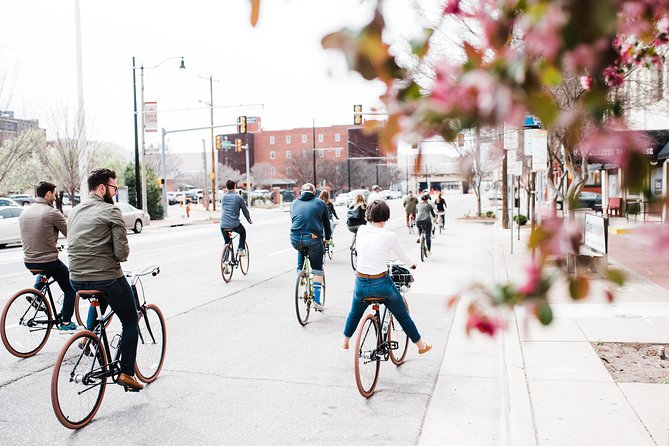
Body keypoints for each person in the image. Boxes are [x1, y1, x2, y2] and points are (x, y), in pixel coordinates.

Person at [67, 168, 143, 391]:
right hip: (106, 277)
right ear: (102, 188)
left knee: (101, 297)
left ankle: (89, 337)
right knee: (130, 321)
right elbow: (121, 254)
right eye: (114, 188)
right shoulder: (111, 211)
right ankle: (127, 373)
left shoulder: (74, 211)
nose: (116, 192)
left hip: (76, 280)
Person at [340, 200, 431, 354]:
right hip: (381, 284)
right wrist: (412, 264)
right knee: (403, 316)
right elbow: (402, 256)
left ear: (368, 215)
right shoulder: (390, 236)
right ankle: (421, 345)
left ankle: (345, 341)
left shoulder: (361, 230)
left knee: (354, 313)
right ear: (386, 217)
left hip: (361, 284)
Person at [18, 181, 78, 331]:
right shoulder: (52, 212)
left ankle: (37, 293)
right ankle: (65, 323)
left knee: (47, 268)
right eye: (54, 194)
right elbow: (70, 234)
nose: (55, 197)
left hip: (28, 260)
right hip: (47, 260)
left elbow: (36, 235)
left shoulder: (25, 211)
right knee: (70, 288)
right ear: (48, 194)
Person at [290, 183, 331, 310]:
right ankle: (317, 301)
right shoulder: (320, 203)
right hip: (313, 238)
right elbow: (326, 224)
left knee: (301, 247)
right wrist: (327, 239)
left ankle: (300, 273)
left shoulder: (294, 203)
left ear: (301, 192)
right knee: (317, 269)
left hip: (295, 237)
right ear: (314, 193)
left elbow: (294, 219)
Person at [220, 180, 252, 255]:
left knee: (227, 242)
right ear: (234, 186)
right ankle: (240, 249)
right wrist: (249, 219)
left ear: (226, 187)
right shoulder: (238, 198)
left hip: (223, 224)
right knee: (242, 232)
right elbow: (244, 210)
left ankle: (225, 261)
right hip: (234, 224)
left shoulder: (223, 197)